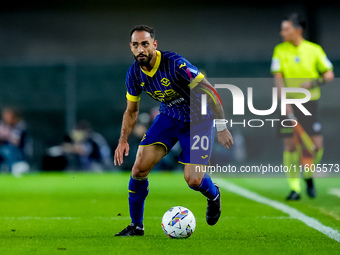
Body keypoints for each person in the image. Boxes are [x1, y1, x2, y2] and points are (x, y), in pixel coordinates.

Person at [114, 25, 233, 236]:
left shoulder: (175, 64)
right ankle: (136, 226)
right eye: (135, 45)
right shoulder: (133, 74)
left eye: (144, 44)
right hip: (169, 117)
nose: (140, 49)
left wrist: (222, 126)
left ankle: (213, 195)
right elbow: (131, 111)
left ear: (154, 45)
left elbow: (210, 92)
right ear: (130, 47)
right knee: (138, 168)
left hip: (199, 120)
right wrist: (123, 139)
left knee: (194, 180)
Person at [270, 13, 334, 200]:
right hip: (288, 104)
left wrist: (313, 82)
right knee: (289, 146)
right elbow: (278, 78)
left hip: (309, 105)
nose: (282, 33)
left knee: (316, 146)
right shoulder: (279, 50)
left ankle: (308, 175)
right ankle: (295, 188)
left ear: (298, 30)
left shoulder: (314, 50)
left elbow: (329, 73)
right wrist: (285, 103)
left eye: (286, 29)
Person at [0, 107, 30, 175]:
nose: (7, 117)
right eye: (5, 115)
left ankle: (17, 167)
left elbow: (16, 141)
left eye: (9, 115)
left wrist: (6, 136)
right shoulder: (3, 125)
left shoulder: (20, 125)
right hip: (3, 148)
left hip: (18, 150)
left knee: (10, 150)